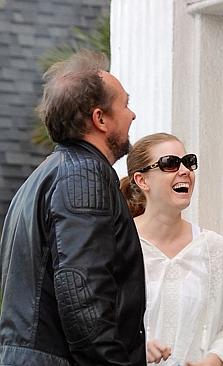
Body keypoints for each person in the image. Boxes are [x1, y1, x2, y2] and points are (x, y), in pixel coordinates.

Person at [0, 50, 145, 365]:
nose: (132, 115)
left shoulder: (40, 178)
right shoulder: (84, 174)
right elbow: (82, 291)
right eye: (125, 104)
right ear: (100, 118)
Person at [119, 133, 223, 366]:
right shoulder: (117, 245)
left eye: (189, 161)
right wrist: (133, 347)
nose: (185, 170)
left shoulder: (214, 249)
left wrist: (214, 361)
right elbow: (96, 324)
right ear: (142, 180)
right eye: (171, 163)